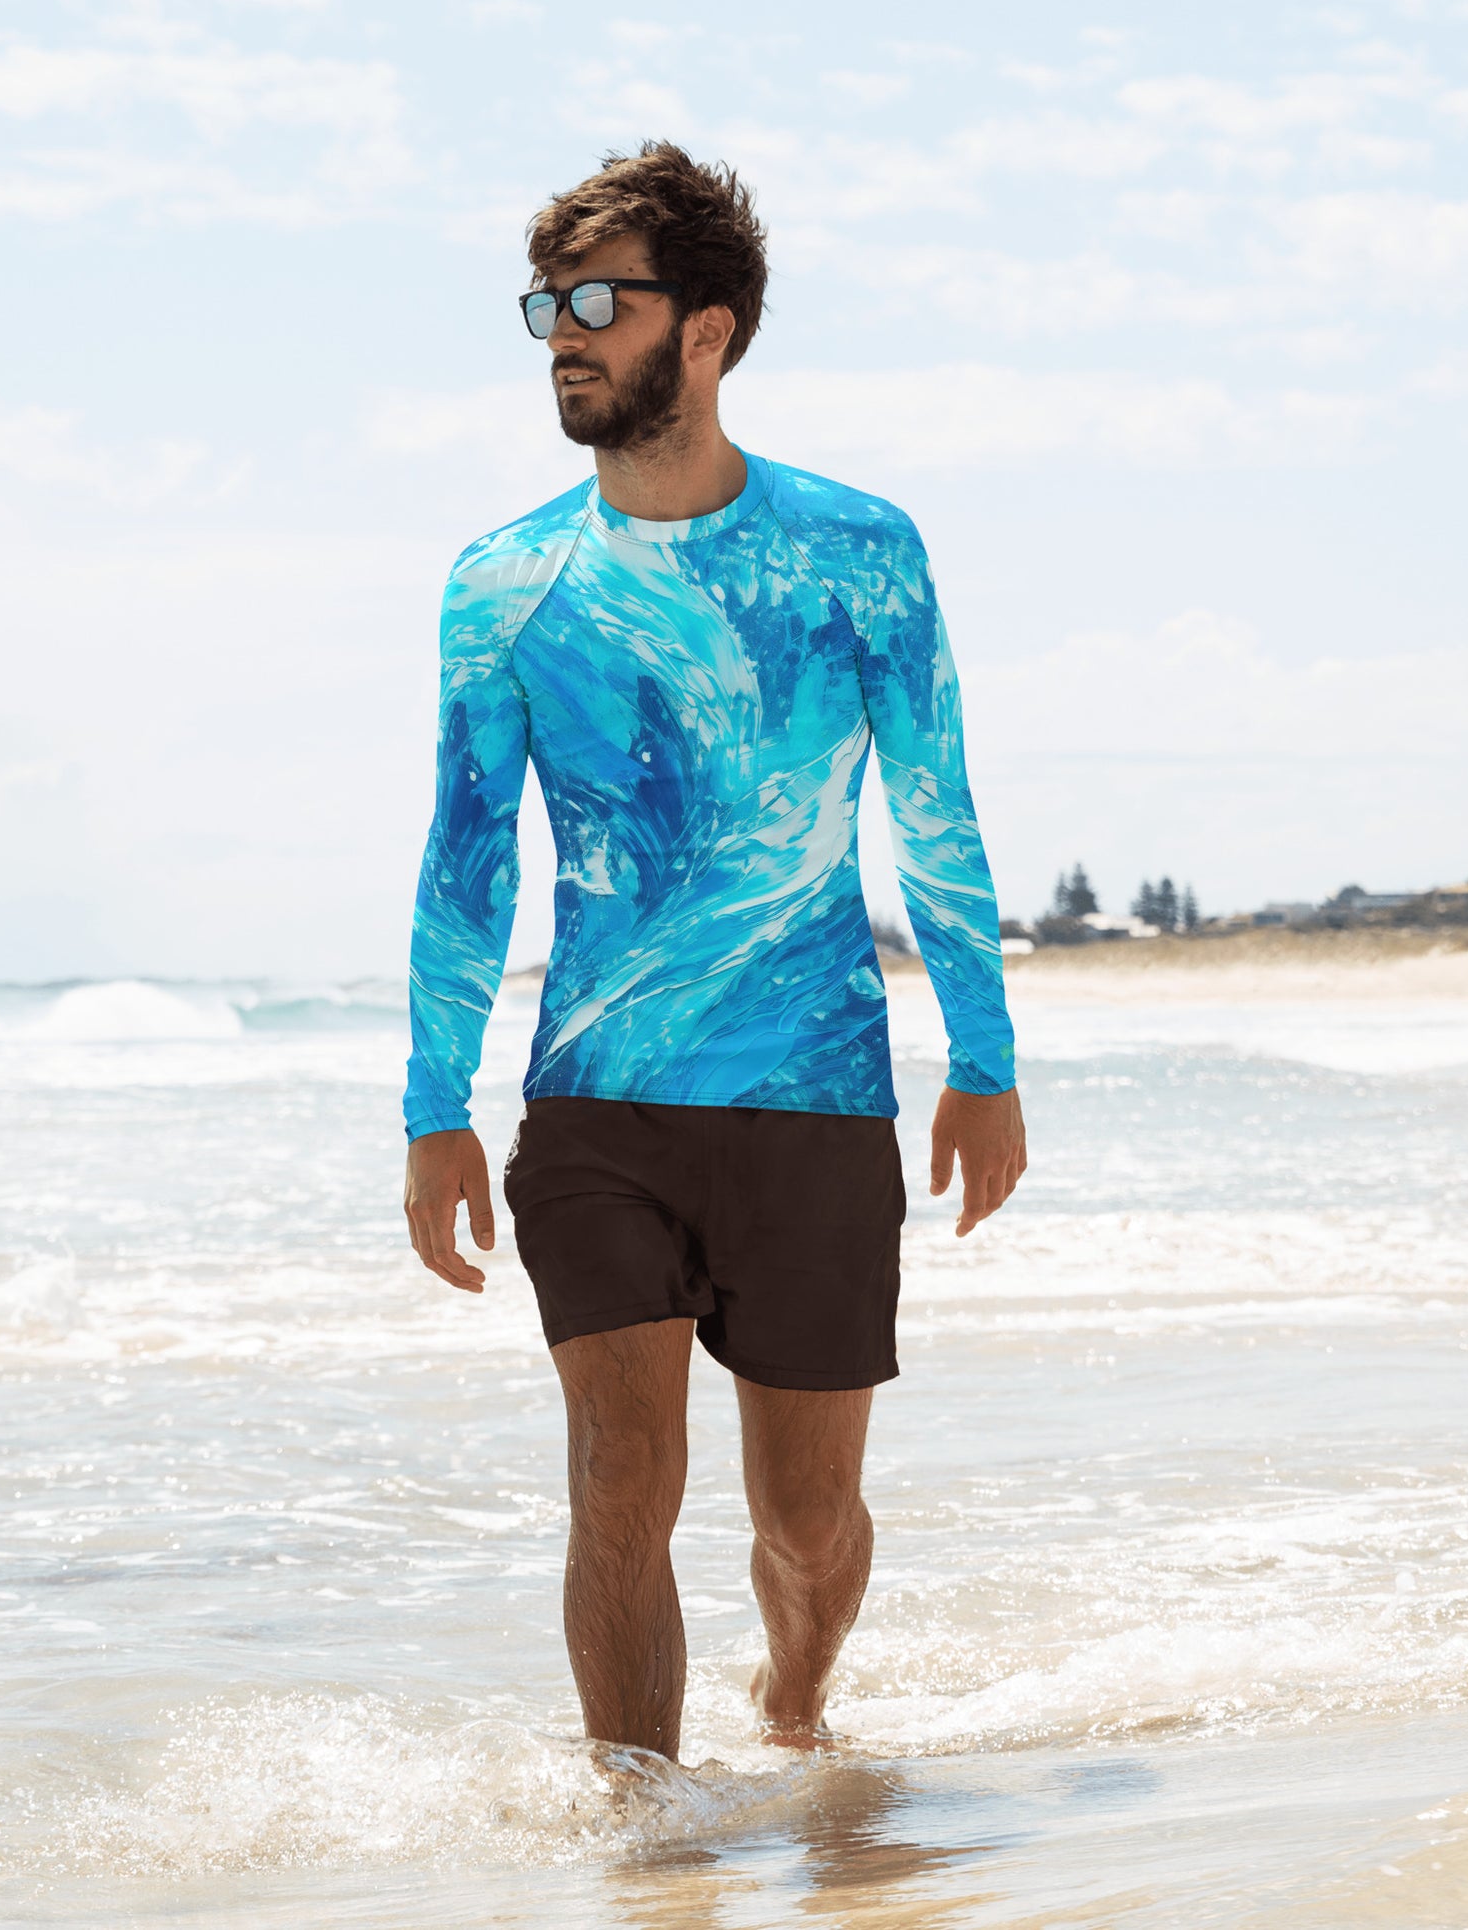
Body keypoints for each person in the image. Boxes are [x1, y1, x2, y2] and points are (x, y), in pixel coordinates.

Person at [403, 142, 1026, 1761]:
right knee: (619, 1479)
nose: (563, 333)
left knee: (805, 1521)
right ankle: (643, 1837)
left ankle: (800, 1699)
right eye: (545, 303)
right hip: (596, 1105)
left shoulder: (857, 552)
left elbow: (934, 810)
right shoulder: (504, 583)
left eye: (600, 300)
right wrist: (432, 1102)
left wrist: (984, 1060)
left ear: (709, 330)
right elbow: (470, 852)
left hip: (814, 1099)